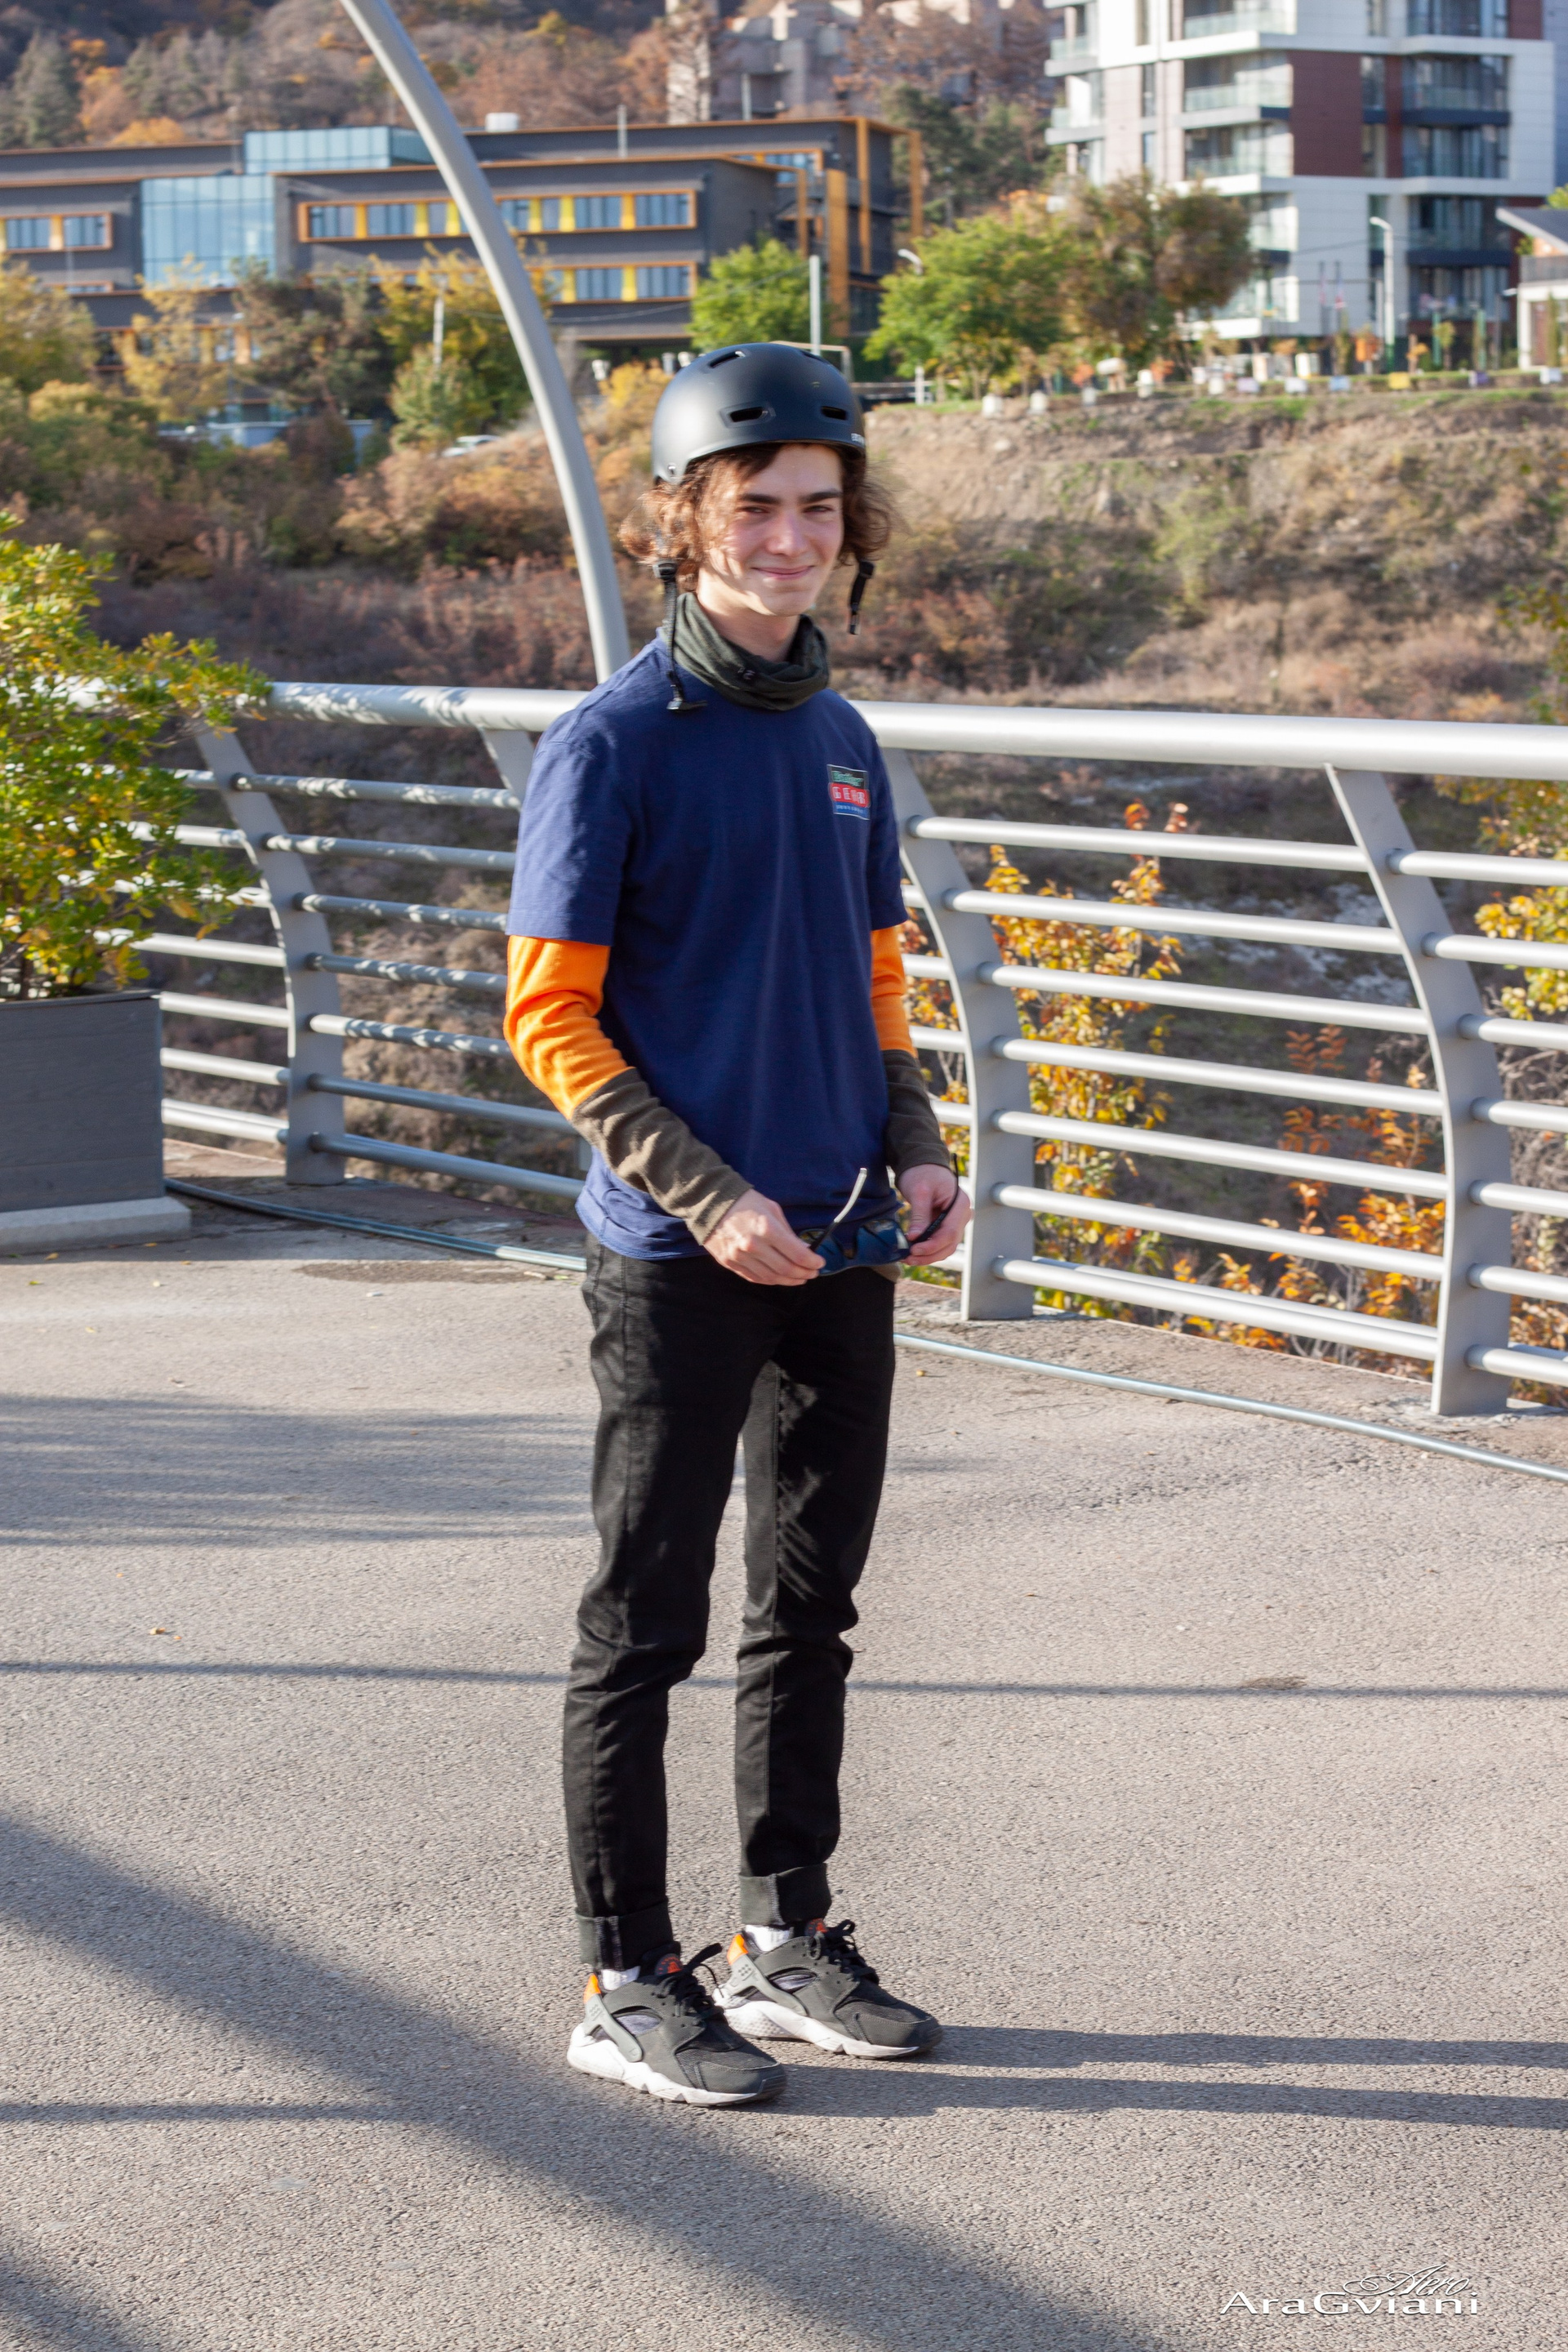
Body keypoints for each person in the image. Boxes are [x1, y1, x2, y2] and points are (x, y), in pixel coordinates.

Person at [503, 343, 973, 2108]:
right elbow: (549, 1018)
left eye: (819, 508)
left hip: (840, 1242)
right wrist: (706, 1194)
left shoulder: (841, 738)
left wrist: (916, 1148)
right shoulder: (613, 744)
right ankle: (625, 1977)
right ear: (686, 522)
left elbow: (874, 977)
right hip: (677, 1254)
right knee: (645, 1623)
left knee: (808, 1609)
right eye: (757, 506)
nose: (791, 537)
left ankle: (786, 1934)